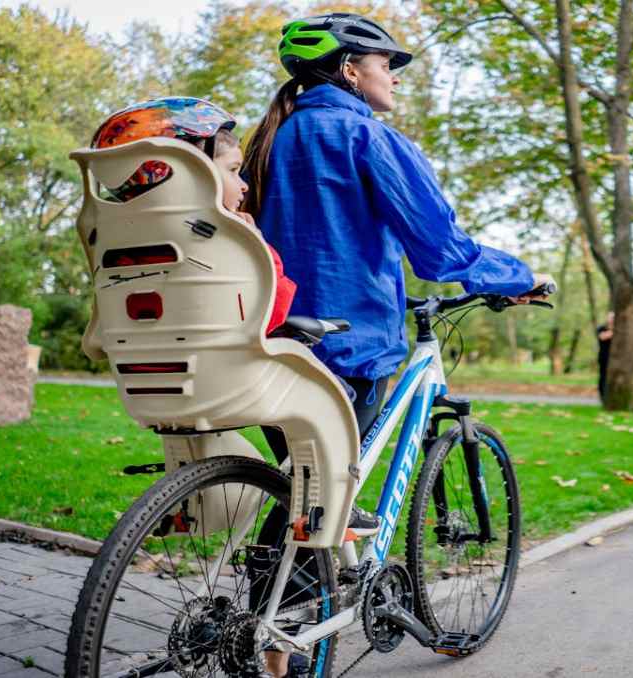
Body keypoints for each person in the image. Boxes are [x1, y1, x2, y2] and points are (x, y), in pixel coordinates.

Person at [240, 14, 552, 676]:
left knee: (305, 495)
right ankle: (283, 647)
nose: (394, 76)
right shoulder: (363, 134)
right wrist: (519, 278)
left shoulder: (274, 138)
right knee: (323, 500)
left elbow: (311, 247)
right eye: (388, 63)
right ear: (352, 68)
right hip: (349, 351)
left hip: (275, 340)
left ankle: (267, 635)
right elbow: (440, 249)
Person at [89, 98, 298, 338]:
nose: (244, 186)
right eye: (233, 170)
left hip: (139, 367)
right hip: (230, 369)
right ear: (194, 173)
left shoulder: (116, 242)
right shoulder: (233, 246)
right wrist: (257, 245)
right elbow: (268, 319)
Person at [596, 312, 614, 400]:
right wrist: (614, 330)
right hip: (604, 356)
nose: (612, 319)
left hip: (616, 358)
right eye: (610, 317)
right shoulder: (601, 328)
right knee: (603, 376)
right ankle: (602, 395)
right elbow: (603, 337)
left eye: (613, 318)